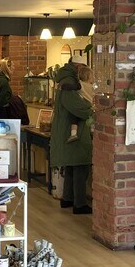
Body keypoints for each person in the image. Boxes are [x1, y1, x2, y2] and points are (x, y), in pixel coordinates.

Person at [50, 61, 93, 214]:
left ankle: (67, 198)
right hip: (76, 132)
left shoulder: (65, 82)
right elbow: (78, 108)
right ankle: (79, 204)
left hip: (67, 130)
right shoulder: (71, 85)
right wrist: (92, 111)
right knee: (81, 166)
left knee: (70, 165)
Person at [66, 64, 95, 143]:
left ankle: (73, 133)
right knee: (92, 117)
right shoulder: (93, 86)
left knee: (74, 117)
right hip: (92, 105)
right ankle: (92, 129)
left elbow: (71, 87)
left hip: (83, 105)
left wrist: (63, 87)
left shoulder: (81, 85)